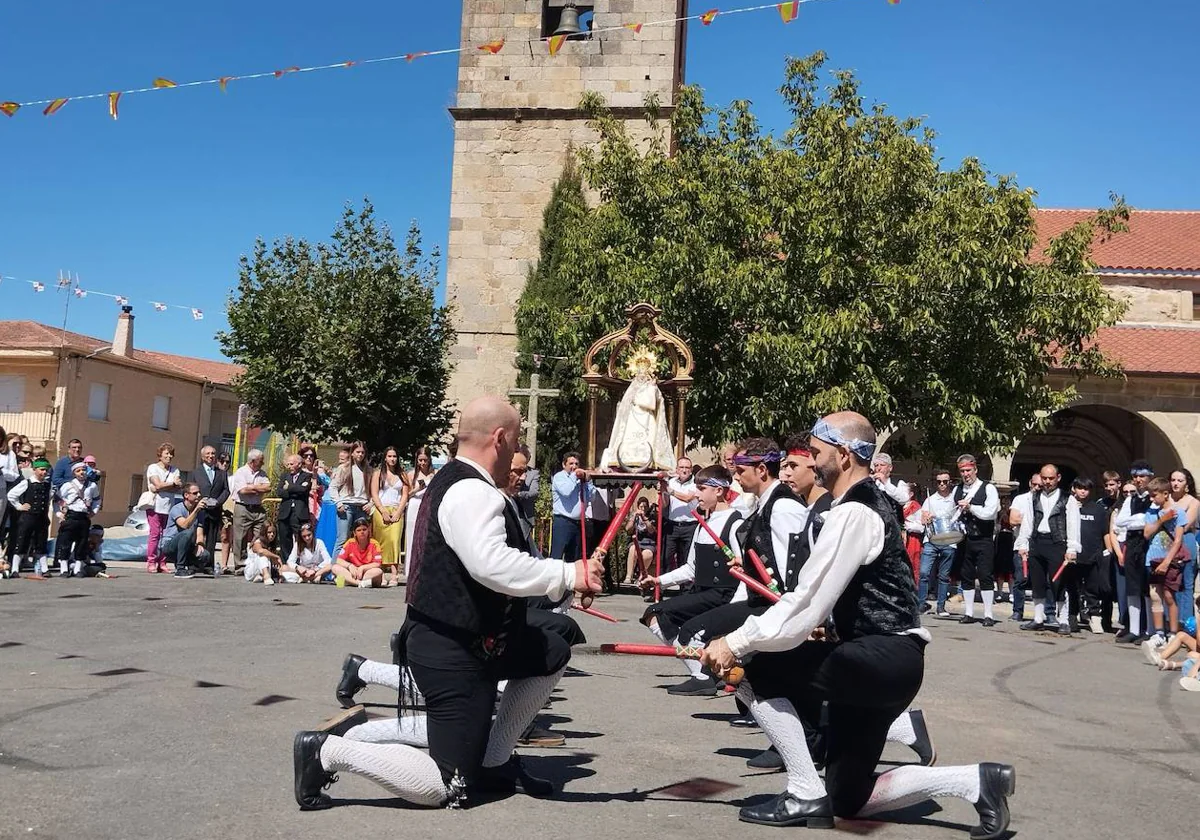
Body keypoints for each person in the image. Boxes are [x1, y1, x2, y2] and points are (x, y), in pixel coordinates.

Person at [701, 412, 1015, 838]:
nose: (811, 463)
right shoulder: (869, 504)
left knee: (754, 667)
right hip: (888, 660)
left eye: (815, 454)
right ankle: (977, 781)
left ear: (844, 456)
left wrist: (735, 643)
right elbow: (844, 595)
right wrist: (827, 627)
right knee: (849, 798)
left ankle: (802, 790)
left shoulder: (854, 512)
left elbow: (806, 600)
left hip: (880, 658)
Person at [292, 395, 602, 811]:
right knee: (447, 785)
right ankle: (327, 752)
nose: (516, 453)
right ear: (499, 439)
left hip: (481, 639)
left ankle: (494, 761)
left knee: (552, 650)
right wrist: (568, 574)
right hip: (451, 650)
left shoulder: (452, 482)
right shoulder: (472, 491)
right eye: (514, 442)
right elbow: (489, 564)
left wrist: (567, 581)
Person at [638, 464, 744, 696]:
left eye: (702, 488)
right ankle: (704, 669)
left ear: (719, 491)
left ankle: (702, 676)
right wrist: (658, 581)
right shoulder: (701, 525)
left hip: (724, 594)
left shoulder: (735, 523)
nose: (696, 494)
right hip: (702, 592)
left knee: (686, 628)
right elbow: (690, 569)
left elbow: (743, 570)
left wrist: (736, 608)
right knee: (654, 615)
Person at [1017, 464, 1081, 635]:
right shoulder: (1034, 497)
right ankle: (1038, 618)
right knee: (1037, 582)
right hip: (1037, 541)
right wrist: (1023, 544)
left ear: (1058, 478)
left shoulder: (1068, 499)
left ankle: (1064, 620)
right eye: (1044, 478)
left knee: (1058, 583)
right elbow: (1028, 521)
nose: (1047, 482)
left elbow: (1073, 524)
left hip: (1057, 543)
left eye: (1050, 478)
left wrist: (1072, 547)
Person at [952, 454, 1001, 626]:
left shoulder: (987, 488)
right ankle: (969, 612)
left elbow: (990, 513)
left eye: (968, 470)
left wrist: (971, 507)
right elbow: (950, 512)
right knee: (966, 575)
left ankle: (988, 615)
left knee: (986, 575)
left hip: (984, 538)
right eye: (962, 471)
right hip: (965, 539)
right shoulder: (957, 489)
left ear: (975, 469)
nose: (966, 474)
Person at [1115, 460, 1155, 644]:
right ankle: (1134, 629)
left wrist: (1136, 520)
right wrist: (1137, 519)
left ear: (1150, 477)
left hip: (1147, 544)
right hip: (1132, 544)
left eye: (1142, 476)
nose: (1138, 480)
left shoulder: (1153, 499)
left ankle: (1150, 629)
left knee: (1147, 588)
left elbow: (1148, 521)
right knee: (1132, 588)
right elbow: (1119, 522)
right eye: (1136, 476)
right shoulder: (1130, 499)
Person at [1143, 476, 1186, 647]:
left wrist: (1167, 561)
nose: (1152, 499)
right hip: (1152, 558)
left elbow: (1178, 540)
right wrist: (1161, 519)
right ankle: (1158, 633)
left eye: (1155, 495)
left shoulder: (1179, 512)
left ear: (1166, 493)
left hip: (1170, 559)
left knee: (1169, 595)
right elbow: (1147, 533)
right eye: (1150, 496)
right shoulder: (1151, 512)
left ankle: (1173, 633)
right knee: (1155, 595)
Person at [918, 468, 960, 617]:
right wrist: (926, 518)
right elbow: (922, 518)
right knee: (924, 573)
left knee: (943, 576)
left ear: (950, 482)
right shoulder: (930, 500)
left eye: (945, 481)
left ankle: (941, 607)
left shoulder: (955, 499)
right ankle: (921, 604)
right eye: (939, 482)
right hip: (931, 540)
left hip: (949, 541)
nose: (942, 484)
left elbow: (959, 519)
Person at [1075, 478, 1114, 634]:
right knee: (1074, 589)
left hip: (1094, 556)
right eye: (1080, 488)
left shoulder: (1098, 510)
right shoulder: (1069, 507)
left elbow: (1105, 533)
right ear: (1074, 489)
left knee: (1093, 589)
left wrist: (1109, 551)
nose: (1083, 491)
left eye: (1086, 488)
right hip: (1075, 556)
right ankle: (1072, 618)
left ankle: (1095, 618)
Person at [5, 457, 53, 578]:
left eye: (46, 470)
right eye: (42, 470)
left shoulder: (48, 485)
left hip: (42, 518)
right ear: (34, 470)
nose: (44, 472)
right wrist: (19, 506)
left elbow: (51, 497)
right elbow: (11, 495)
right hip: (28, 518)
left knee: (41, 543)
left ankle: (44, 569)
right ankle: (15, 569)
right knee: (22, 542)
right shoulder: (27, 483)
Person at [1007, 473, 1043, 623]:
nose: (1037, 487)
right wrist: (1029, 519)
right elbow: (1013, 520)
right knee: (1020, 579)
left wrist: (1024, 518)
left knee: (1042, 581)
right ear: (1030, 483)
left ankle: (1045, 612)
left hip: (1041, 545)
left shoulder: (1046, 501)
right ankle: (1017, 611)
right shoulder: (1020, 499)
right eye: (1034, 484)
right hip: (1021, 544)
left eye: (1040, 486)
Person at [370, 446, 410, 580]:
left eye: (394, 456)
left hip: (397, 509)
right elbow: (374, 494)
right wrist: (382, 511)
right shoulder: (378, 473)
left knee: (394, 540)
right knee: (380, 541)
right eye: (390, 456)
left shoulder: (402, 474)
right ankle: (378, 572)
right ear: (385, 458)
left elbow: (405, 495)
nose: (392, 459)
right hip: (381, 510)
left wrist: (399, 511)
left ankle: (394, 573)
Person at [56, 460, 101, 577]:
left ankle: (77, 568)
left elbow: (97, 499)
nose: (82, 473)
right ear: (74, 473)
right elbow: (57, 499)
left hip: (84, 517)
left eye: (84, 470)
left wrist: (94, 511)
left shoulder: (92, 486)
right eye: (78, 471)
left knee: (81, 543)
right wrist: (59, 513)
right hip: (71, 516)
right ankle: (64, 568)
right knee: (65, 542)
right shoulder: (68, 485)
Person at [145, 443, 183, 573]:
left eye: (171, 453)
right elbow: (158, 484)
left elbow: (178, 486)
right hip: (155, 506)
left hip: (169, 507)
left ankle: (162, 562)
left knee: (166, 536)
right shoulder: (153, 468)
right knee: (155, 534)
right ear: (160, 455)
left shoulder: (175, 470)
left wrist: (164, 486)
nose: (169, 456)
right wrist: (170, 484)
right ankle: (151, 562)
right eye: (166, 453)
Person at [1168, 469, 1199, 624]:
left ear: (1187, 484)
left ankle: (1185, 621)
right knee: (1169, 584)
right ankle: (1169, 621)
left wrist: (1165, 522)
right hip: (1166, 543)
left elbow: (1185, 525)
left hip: (1185, 543)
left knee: (1186, 584)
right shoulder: (1166, 498)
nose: (1175, 483)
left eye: (1180, 481)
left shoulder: (1193, 502)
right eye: (1173, 480)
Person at [161, 483, 210, 579]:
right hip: (169, 546)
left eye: (199, 492)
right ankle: (180, 569)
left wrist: (200, 545)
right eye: (195, 493)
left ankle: (190, 567)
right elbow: (184, 525)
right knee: (187, 533)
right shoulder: (177, 509)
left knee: (205, 555)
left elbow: (199, 532)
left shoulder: (200, 512)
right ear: (186, 495)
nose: (199, 495)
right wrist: (196, 510)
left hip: (186, 545)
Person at [331, 442, 371, 559]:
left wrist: (371, 503)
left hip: (362, 507)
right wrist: (338, 503)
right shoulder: (344, 468)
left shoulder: (368, 470)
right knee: (342, 539)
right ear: (352, 453)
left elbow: (374, 491)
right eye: (358, 452)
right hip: (346, 506)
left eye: (362, 452)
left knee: (361, 539)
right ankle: (335, 570)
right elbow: (333, 487)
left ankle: (357, 567)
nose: (360, 455)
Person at [550, 451, 590, 562]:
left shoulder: (579, 481)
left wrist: (588, 482)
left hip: (577, 523)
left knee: (573, 559)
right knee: (557, 556)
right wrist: (574, 476)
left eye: (576, 464)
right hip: (563, 522)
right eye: (571, 463)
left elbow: (591, 498)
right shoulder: (559, 477)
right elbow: (566, 491)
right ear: (564, 465)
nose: (574, 467)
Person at [195, 445, 230, 569]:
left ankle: (208, 566)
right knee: (198, 537)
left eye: (213, 454)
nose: (211, 456)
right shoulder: (196, 472)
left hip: (215, 510)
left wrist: (217, 502)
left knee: (211, 540)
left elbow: (226, 490)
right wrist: (199, 500)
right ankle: (195, 563)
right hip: (200, 510)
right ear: (202, 456)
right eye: (208, 454)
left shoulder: (221, 473)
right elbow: (191, 489)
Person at [662, 457, 699, 573]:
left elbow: (688, 498)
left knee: (686, 558)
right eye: (681, 467)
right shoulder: (671, 483)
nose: (684, 470)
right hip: (672, 526)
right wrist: (663, 491)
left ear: (691, 470)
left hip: (689, 526)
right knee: (666, 557)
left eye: (687, 468)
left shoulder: (696, 483)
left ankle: (686, 590)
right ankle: (663, 586)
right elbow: (665, 504)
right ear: (677, 469)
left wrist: (670, 491)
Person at [276, 453, 314, 563]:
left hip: (299, 512)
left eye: (291, 464)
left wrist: (289, 487)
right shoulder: (285, 476)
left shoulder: (306, 476)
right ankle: (286, 562)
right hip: (285, 512)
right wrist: (294, 490)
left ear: (299, 464)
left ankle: (301, 562)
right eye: (288, 464)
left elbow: (304, 490)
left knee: (301, 538)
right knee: (284, 538)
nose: (289, 466)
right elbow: (280, 492)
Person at [331, 517, 385, 588]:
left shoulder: (374, 544)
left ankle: (348, 581)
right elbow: (338, 560)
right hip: (354, 572)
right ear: (354, 533)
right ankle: (359, 583)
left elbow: (377, 564)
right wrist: (350, 566)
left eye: (364, 530)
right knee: (335, 568)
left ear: (368, 531)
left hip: (366, 572)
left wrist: (362, 568)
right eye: (359, 530)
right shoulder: (350, 542)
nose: (362, 532)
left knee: (378, 572)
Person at [406, 446, 439, 564]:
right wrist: (417, 489)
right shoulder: (411, 474)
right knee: (412, 534)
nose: (423, 463)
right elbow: (406, 495)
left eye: (425, 460)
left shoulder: (435, 473)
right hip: (415, 504)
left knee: (427, 535)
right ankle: (411, 565)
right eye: (420, 460)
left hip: (429, 505)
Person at [622, 497, 656, 586]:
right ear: (638, 507)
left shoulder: (652, 517)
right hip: (637, 542)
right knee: (633, 549)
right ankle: (629, 576)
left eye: (645, 507)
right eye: (641, 507)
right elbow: (627, 529)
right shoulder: (635, 516)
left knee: (647, 555)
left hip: (649, 543)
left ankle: (641, 576)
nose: (643, 509)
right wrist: (634, 517)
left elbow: (651, 531)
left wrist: (644, 518)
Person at [245, 521, 282, 586]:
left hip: (265, 569)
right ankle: (266, 576)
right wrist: (276, 557)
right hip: (251, 570)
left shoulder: (272, 544)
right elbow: (260, 551)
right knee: (263, 555)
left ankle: (261, 576)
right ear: (264, 532)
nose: (272, 534)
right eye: (269, 532)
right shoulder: (257, 542)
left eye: (274, 532)